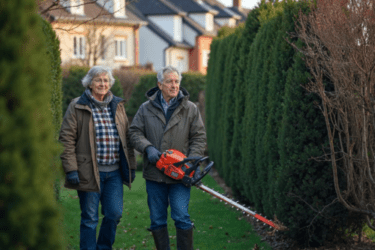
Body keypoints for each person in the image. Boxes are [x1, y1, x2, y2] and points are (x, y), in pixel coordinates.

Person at [59, 66, 136, 250]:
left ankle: (103, 247)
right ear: (90, 83)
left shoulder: (118, 106)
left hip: (114, 174)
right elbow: (66, 139)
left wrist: (130, 166)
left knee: (114, 214)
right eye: (98, 80)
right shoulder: (77, 105)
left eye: (106, 80)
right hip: (88, 172)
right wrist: (71, 169)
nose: (103, 84)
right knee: (90, 218)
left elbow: (126, 138)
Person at [129, 66, 206, 250]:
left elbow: (199, 137)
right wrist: (148, 148)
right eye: (170, 81)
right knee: (157, 220)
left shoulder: (190, 109)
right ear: (159, 84)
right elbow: (134, 132)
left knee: (181, 216)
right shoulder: (146, 108)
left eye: (177, 81)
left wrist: (191, 164)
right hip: (155, 174)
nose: (174, 85)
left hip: (180, 174)